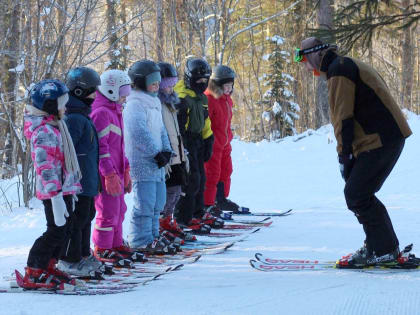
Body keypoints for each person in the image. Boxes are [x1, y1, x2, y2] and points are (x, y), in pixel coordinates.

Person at [296, 37, 412, 267]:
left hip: (381, 138)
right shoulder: (343, 65)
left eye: (305, 59)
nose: (305, 66)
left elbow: (343, 117)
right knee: (360, 193)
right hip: (382, 137)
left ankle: (383, 249)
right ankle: (380, 246)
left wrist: (344, 155)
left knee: (357, 194)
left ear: (317, 54)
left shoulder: (340, 70)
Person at [20, 79, 82, 290]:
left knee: (66, 228)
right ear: (49, 106)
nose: (66, 107)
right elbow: (45, 167)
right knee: (55, 230)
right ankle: (34, 268)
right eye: (62, 103)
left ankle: (48, 264)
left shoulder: (56, 126)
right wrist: (55, 197)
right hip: (53, 193)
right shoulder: (44, 131)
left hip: (64, 189)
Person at [125, 59, 177, 255]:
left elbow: (161, 130)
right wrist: (155, 152)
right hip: (143, 162)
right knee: (145, 204)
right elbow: (138, 131)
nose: (157, 86)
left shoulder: (154, 101)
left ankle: (153, 237)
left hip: (157, 163)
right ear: (140, 83)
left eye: (158, 82)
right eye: (152, 82)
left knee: (158, 203)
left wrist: (165, 150)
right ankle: (140, 240)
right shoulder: (134, 104)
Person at [56, 67, 103, 277]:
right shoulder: (75, 118)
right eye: (93, 91)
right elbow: (68, 151)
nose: (96, 95)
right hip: (78, 182)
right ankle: (70, 259)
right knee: (78, 220)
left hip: (88, 180)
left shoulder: (83, 115)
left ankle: (83, 253)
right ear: (79, 91)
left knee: (87, 216)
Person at [90, 69, 136, 264]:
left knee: (120, 209)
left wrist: (125, 169)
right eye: (123, 93)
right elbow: (102, 148)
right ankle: (102, 247)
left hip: (116, 170)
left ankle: (115, 244)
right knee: (107, 211)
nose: (125, 98)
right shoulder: (101, 113)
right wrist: (109, 174)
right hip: (105, 174)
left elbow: (121, 146)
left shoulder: (115, 112)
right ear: (111, 91)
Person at [174, 57, 223, 230]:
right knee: (191, 180)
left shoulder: (201, 98)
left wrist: (208, 139)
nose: (202, 83)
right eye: (199, 80)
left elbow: (205, 120)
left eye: (205, 80)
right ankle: (183, 217)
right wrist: (182, 145)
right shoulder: (182, 97)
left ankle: (197, 211)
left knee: (201, 178)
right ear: (189, 78)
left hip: (198, 141)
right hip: (185, 141)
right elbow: (178, 126)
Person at [157, 62, 195, 242]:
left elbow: (176, 131)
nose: (170, 88)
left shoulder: (172, 103)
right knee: (168, 191)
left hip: (177, 153)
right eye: (167, 85)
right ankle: (160, 222)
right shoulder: (157, 104)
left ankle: (168, 220)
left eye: (173, 85)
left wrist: (182, 152)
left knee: (177, 190)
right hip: (167, 156)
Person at [203, 65, 246, 216]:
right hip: (214, 143)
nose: (229, 89)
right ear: (217, 85)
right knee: (212, 173)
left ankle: (220, 199)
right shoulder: (210, 99)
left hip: (225, 143)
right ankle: (208, 203)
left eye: (230, 86)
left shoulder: (227, 100)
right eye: (226, 86)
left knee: (226, 171)